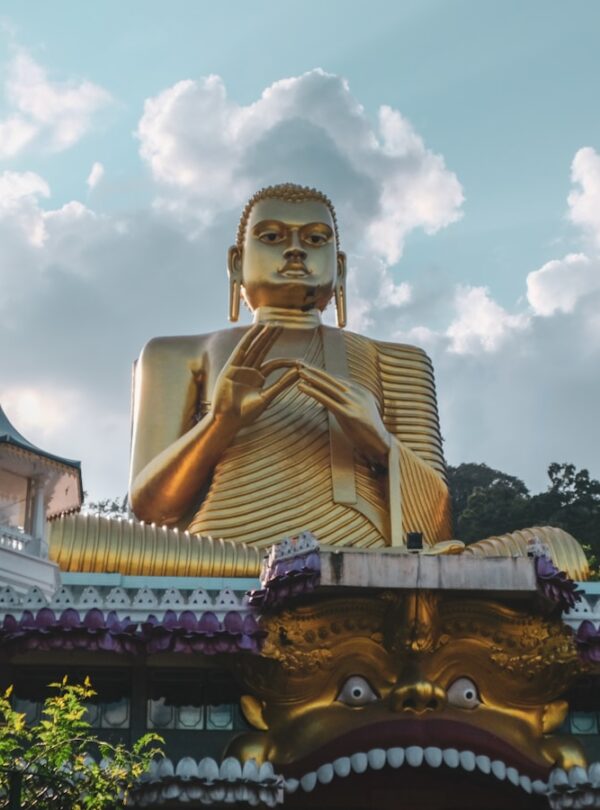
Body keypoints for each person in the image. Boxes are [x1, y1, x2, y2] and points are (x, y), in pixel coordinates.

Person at [128, 183, 453, 549]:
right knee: (62, 538)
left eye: (315, 239)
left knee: (531, 540)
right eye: (271, 236)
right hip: (221, 558)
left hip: (359, 560)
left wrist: (379, 442)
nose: (296, 250)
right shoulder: (175, 354)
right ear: (237, 262)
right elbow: (150, 511)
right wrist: (221, 423)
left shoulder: (398, 361)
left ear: (340, 267)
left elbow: (437, 525)